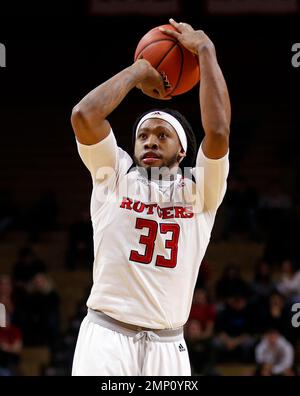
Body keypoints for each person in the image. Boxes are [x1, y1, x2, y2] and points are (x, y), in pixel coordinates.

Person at [71, 18, 231, 376]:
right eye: (143, 135)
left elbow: (218, 131)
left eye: (162, 135)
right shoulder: (113, 175)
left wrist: (205, 50)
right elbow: (84, 115)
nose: (150, 141)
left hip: (167, 345)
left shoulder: (200, 191)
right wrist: (140, 68)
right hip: (107, 336)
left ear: (182, 151)